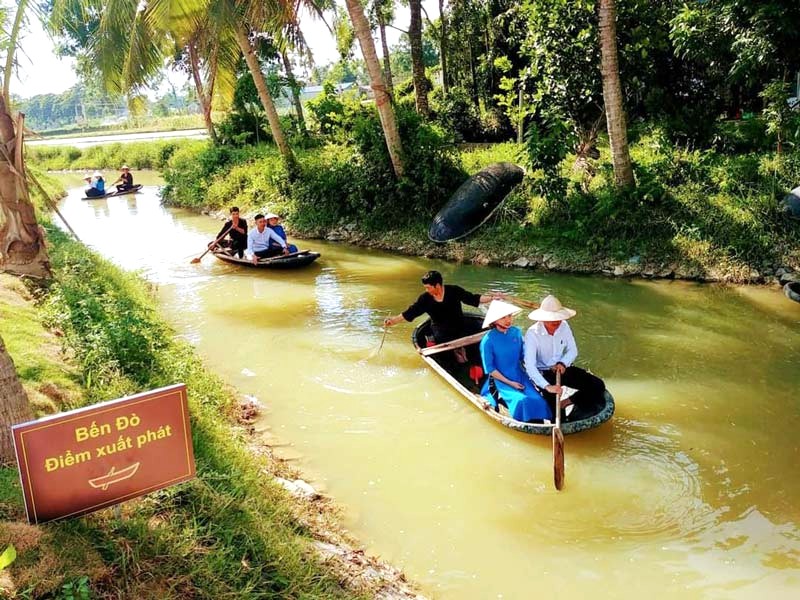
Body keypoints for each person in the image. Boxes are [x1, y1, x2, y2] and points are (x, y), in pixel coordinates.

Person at [383, 270, 503, 361]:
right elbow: (410, 312)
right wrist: (393, 321)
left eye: (428, 288)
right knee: (447, 357)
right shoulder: (425, 299)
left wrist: (492, 298)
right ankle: (455, 354)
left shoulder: (454, 290)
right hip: (441, 332)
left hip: (460, 327)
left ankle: (463, 351)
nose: (426, 290)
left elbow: (473, 299)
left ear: (437, 286)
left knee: (476, 345)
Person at [523, 295, 606, 421]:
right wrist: (547, 387)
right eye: (552, 321)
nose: (557, 323)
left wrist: (563, 363)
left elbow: (573, 350)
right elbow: (530, 366)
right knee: (557, 416)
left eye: (559, 319)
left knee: (598, 385)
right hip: (544, 374)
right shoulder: (532, 334)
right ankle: (557, 408)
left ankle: (566, 402)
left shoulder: (564, 326)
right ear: (543, 319)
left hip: (561, 368)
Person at [479, 300, 552, 423]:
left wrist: (540, 367)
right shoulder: (488, 340)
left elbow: (524, 356)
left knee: (538, 399)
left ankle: (540, 422)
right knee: (521, 400)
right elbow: (490, 369)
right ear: (495, 320)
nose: (508, 320)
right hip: (501, 380)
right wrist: (511, 383)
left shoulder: (516, 332)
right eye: (503, 317)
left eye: (509, 316)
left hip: (519, 374)